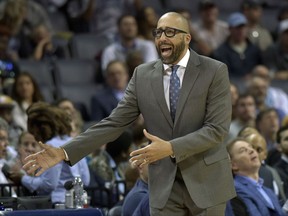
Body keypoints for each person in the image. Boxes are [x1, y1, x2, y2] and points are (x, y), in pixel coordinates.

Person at [24, 12, 235, 215]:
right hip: (164, 185)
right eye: (158, 33)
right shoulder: (142, 74)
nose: (162, 38)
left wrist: (170, 148)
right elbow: (114, 123)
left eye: (170, 32)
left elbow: (216, 130)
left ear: (187, 38)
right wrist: (63, 152)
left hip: (206, 180)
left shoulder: (214, 71)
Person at [226, 138, 286, 216]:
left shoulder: (268, 191)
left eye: (251, 147)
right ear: (233, 165)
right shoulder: (234, 190)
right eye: (243, 150)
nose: (252, 151)